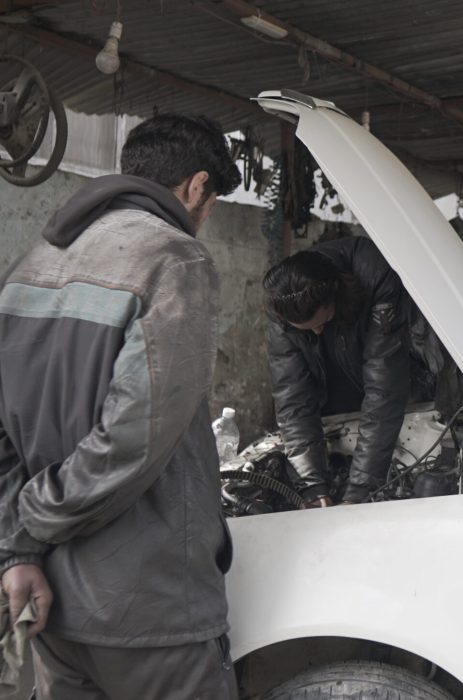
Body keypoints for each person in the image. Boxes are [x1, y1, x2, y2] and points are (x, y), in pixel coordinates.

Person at [0, 114, 241, 699]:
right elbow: (133, 436)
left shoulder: (30, 266)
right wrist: (36, 516)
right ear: (196, 187)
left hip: (51, 601)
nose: (204, 220)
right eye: (210, 205)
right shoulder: (173, 257)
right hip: (147, 606)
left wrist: (18, 547)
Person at [264, 236, 443, 507]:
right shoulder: (282, 304)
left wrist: (361, 490)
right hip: (337, 394)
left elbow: (383, 389)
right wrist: (311, 484)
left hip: (404, 385)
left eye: (322, 322)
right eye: (306, 330)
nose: (316, 332)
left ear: (336, 293)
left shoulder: (376, 275)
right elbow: (292, 397)